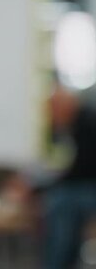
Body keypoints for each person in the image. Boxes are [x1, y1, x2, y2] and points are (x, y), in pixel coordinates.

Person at [43, 82, 96, 269]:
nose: (52, 113)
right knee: (59, 200)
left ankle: (57, 263)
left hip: (89, 186)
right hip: (81, 184)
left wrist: (44, 187)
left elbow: (82, 169)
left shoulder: (88, 122)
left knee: (62, 203)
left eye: (55, 107)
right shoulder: (68, 125)